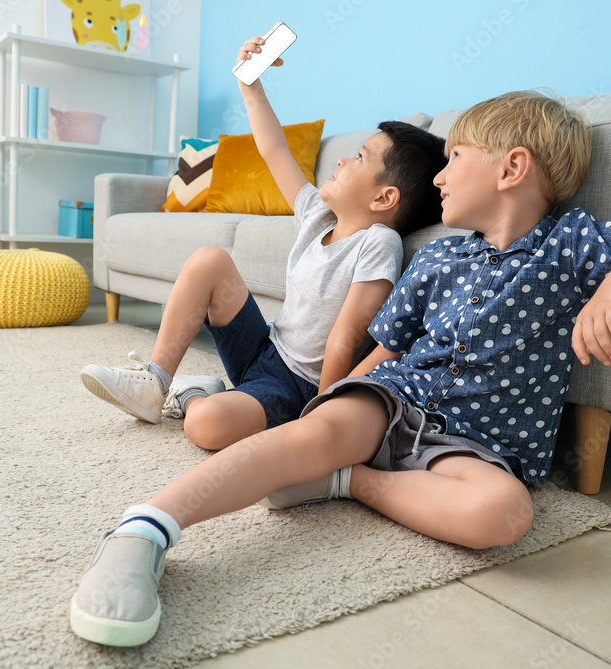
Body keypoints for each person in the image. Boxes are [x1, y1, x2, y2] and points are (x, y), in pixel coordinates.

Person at [67, 89, 611, 647]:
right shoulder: (442, 258)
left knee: (504, 514)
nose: (441, 178)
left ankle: (346, 482)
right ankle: (144, 527)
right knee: (308, 435)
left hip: (485, 445)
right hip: (394, 395)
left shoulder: (572, 244)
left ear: (512, 168)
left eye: (454, 160)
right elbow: (386, 348)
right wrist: (324, 410)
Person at [79, 35, 447, 451]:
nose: (342, 160)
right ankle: (157, 380)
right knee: (209, 260)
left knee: (206, 427)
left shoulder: (378, 243)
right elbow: (274, 150)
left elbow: (346, 337)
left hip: (300, 387)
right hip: (264, 347)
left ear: (384, 199)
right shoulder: (318, 214)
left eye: (359, 158)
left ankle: (193, 392)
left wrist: (322, 416)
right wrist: (250, 87)